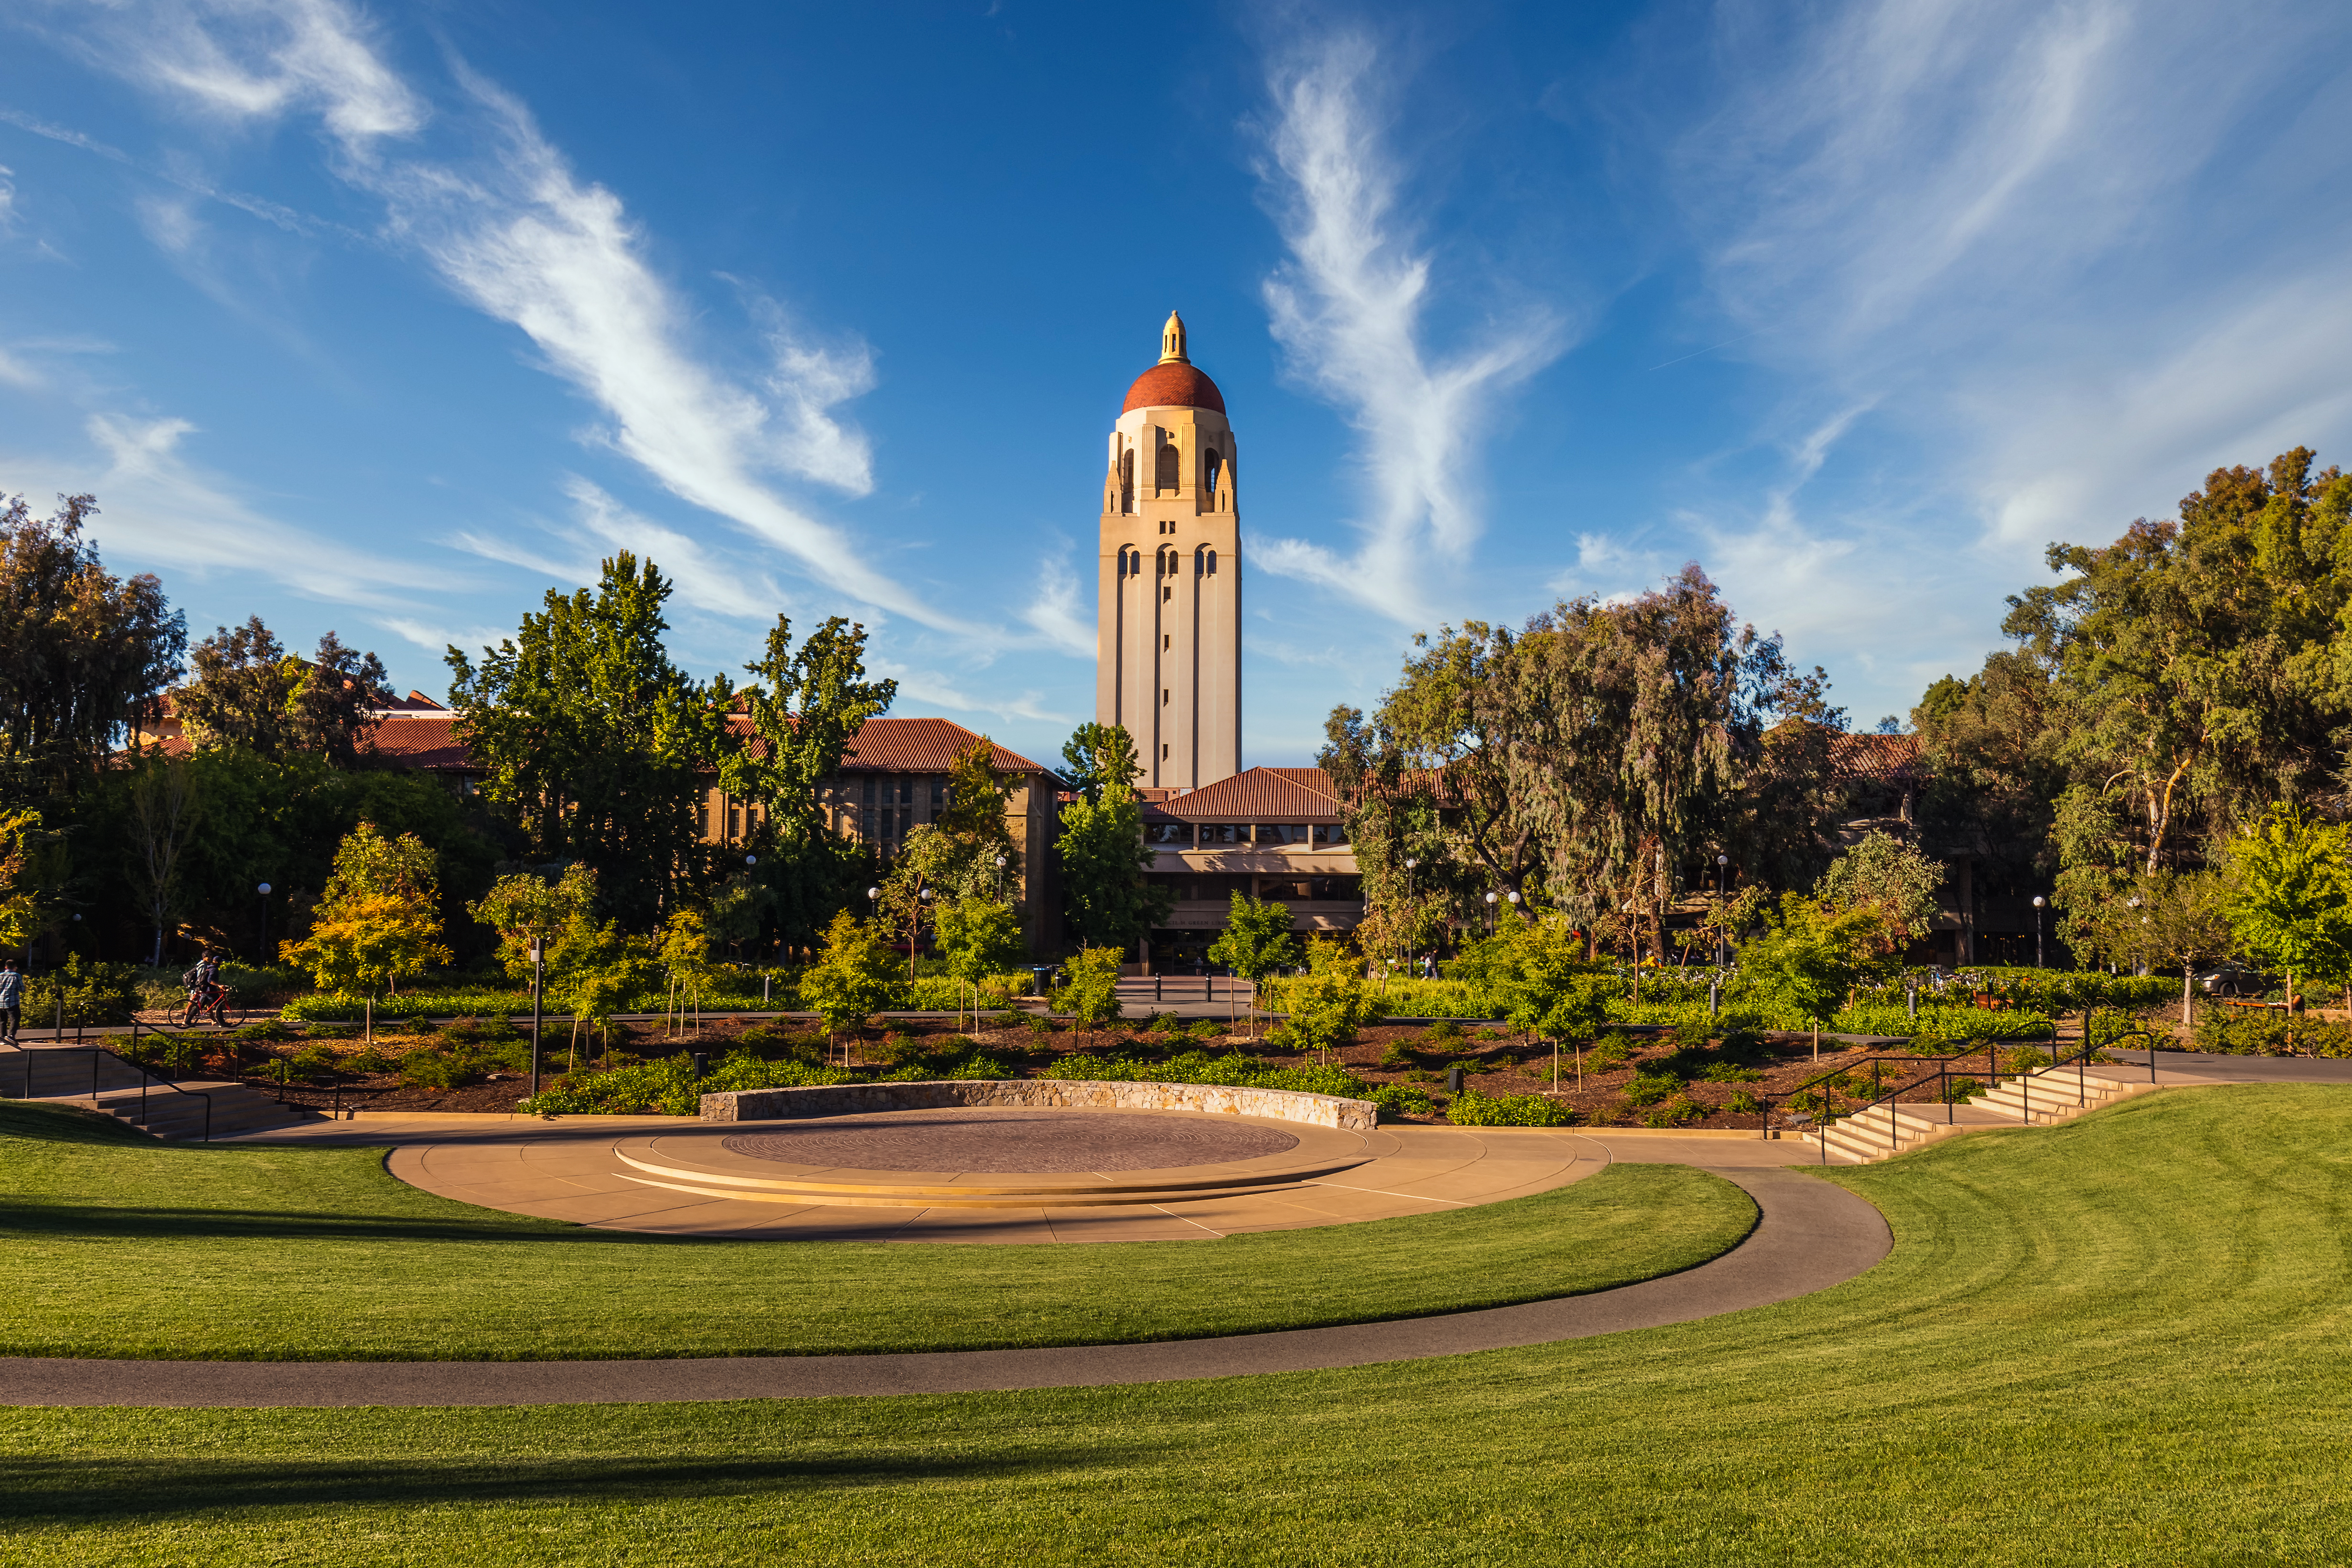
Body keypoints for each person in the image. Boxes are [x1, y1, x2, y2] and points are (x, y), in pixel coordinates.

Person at [0, 957, 20, 1043]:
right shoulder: (16, 976)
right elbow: (22, 988)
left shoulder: (0, 976)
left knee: (2, 1021)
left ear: (6, 967)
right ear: (15, 967)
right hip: (13, 1002)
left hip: (0, 1002)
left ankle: (2, 1038)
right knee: (15, 1019)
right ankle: (11, 1036)